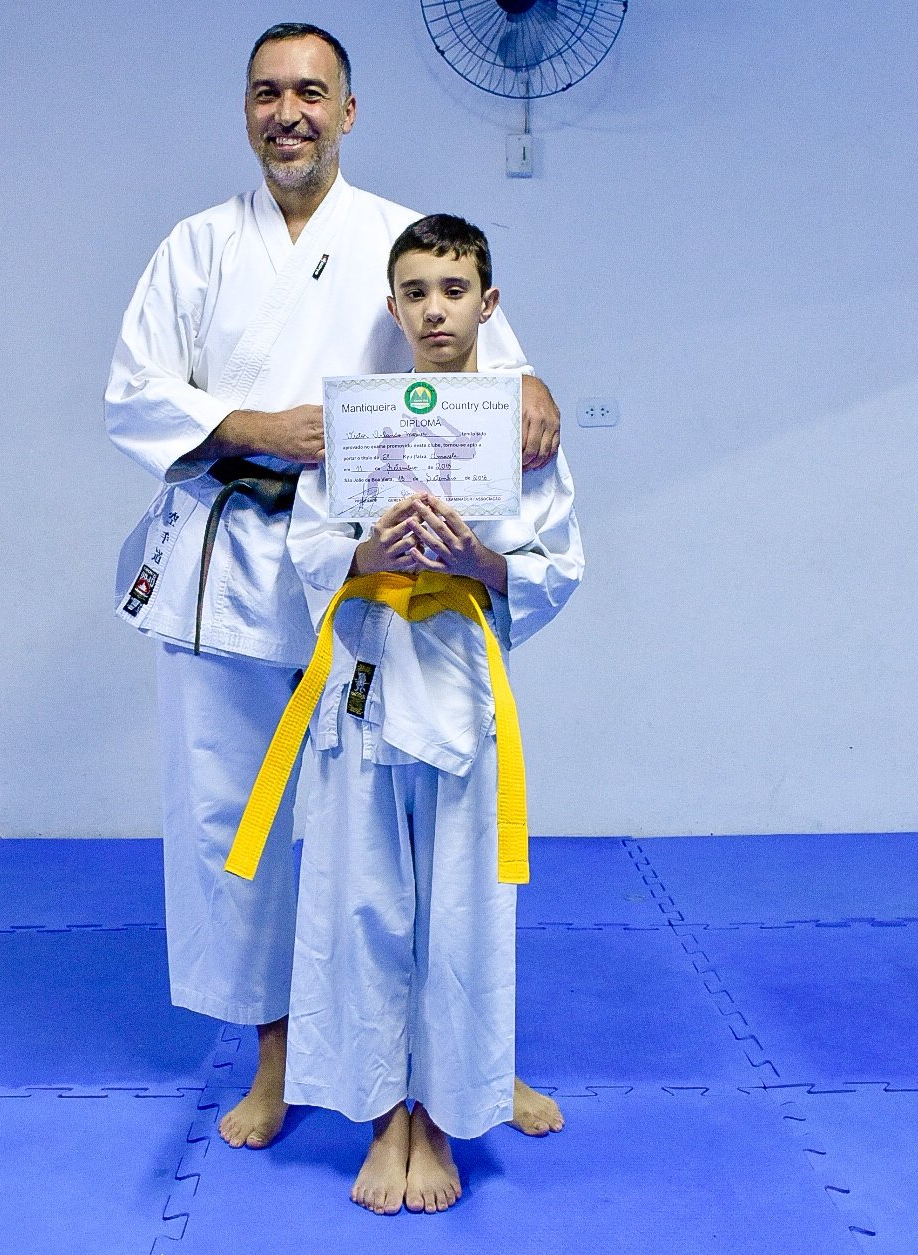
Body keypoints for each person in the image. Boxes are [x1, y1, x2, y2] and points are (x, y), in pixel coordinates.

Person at [104, 23, 564, 1150]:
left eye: (311, 92)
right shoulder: (195, 248)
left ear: (347, 111)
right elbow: (134, 395)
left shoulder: (391, 238)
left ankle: (462, 1065)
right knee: (231, 822)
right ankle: (276, 1056)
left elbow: (477, 353)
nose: (288, 113)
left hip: (371, 572)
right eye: (267, 93)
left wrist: (536, 382)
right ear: (246, 111)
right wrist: (260, 426)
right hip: (226, 559)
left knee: (415, 830)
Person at [279, 214, 584, 1213]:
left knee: (459, 915)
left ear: (487, 303)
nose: (434, 309)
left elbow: (558, 564)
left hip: (459, 685)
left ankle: (446, 1114)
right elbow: (309, 545)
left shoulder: (519, 427)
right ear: (393, 305)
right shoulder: (357, 421)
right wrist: (365, 553)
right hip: (365, 682)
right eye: (415, 292)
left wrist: (473, 559)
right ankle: (384, 1118)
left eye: (453, 290)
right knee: (363, 904)